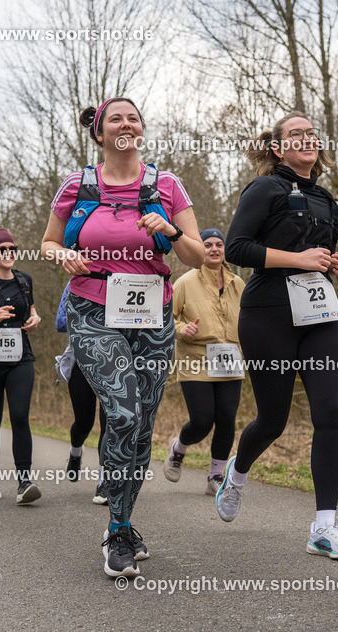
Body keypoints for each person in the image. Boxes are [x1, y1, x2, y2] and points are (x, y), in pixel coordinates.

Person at [41, 97, 204, 578]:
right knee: (123, 410)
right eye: (116, 118)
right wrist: (62, 258)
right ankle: (116, 531)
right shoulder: (78, 185)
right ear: (100, 132)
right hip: (93, 307)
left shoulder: (167, 185)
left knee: (142, 423)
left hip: (152, 312)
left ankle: (126, 522)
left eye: (133, 117)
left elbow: (199, 257)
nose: (126, 123)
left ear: (142, 129)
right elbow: (49, 242)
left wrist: (170, 230)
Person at [223, 112, 338, 560]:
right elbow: (236, 248)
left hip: (320, 312)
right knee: (274, 419)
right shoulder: (264, 189)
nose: (308, 138)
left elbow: (322, 255)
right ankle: (237, 472)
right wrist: (298, 260)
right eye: (295, 134)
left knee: (329, 412)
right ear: (279, 148)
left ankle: (324, 526)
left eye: (312, 134)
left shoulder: (328, 200)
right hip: (267, 314)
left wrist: (333, 263)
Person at [162, 228, 246, 495]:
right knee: (202, 421)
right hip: (195, 359)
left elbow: (249, 320)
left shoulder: (238, 284)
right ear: (200, 249)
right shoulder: (185, 282)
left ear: (225, 250)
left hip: (230, 359)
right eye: (207, 244)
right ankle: (179, 448)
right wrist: (181, 329)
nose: (213, 249)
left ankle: (216, 477)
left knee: (226, 419)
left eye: (219, 244)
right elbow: (166, 318)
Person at [0, 228, 42, 505]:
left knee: (20, 416)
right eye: (2, 249)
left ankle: (24, 480)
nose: (9, 253)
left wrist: (36, 319)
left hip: (20, 359)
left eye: (12, 248)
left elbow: (32, 309)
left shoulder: (25, 280)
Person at [55, 281, 109, 504]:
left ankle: (105, 481)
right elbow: (60, 323)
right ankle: (75, 452)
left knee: (111, 422)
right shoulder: (75, 281)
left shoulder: (125, 276)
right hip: (82, 359)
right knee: (84, 422)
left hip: (115, 361)